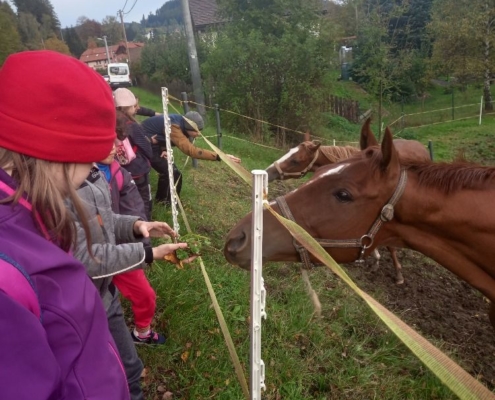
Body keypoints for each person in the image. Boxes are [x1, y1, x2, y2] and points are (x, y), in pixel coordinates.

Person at [0, 50, 130, 399]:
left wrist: (133, 228)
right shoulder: (10, 270)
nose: (89, 170)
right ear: (58, 149)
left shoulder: (31, 217)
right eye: (88, 157)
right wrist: (145, 252)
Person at [71, 151, 193, 399]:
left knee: (131, 369)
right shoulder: (53, 188)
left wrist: (137, 226)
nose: (113, 149)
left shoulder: (93, 173)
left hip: (107, 296)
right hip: (77, 306)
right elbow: (84, 258)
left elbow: (102, 220)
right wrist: (149, 253)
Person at [97, 142, 166, 345]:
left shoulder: (118, 172)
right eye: (104, 140)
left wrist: (142, 238)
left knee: (145, 295)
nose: (111, 147)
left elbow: (134, 206)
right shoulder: (75, 175)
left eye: (114, 141)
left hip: (119, 247)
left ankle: (142, 332)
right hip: (90, 253)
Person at [141, 112, 241, 205]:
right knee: (171, 172)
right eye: (196, 131)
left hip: (156, 143)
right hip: (144, 144)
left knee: (173, 172)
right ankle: (164, 202)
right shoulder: (174, 126)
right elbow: (191, 151)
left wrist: (165, 149)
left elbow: (163, 135)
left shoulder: (180, 122)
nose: (198, 134)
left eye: (199, 131)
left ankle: (167, 201)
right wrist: (220, 156)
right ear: (188, 127)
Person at [114, 88, 153, 220]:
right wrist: (150, 157)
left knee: (128, 202)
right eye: (133, 106)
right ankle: (146, 228)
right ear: (127, 107)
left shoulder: (112, 122)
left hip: (120, 170)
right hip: (138, 170)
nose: (136, 108)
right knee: (144, 201)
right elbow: (146, 147)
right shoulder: (132, 126)